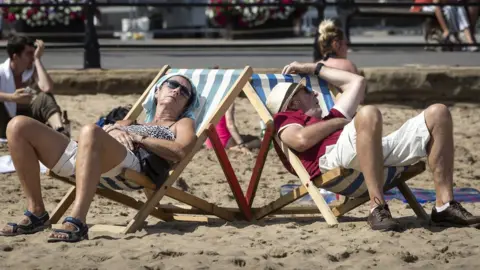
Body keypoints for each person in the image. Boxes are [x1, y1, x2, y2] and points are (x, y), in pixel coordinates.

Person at [267, 60, 480, 231]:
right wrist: (339, 122)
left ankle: (444, 205)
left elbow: (356, 82)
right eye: (306, 91)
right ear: (293, 103)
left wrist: (313, 67)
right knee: (368, 112)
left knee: (438, 112)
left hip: (367, 152)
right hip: (332, 160)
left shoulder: (328, 117)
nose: (315, 93)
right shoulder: (286, 118)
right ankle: (377, 206)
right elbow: (301, 141)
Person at [0, 73, 199, 242]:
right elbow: (102, 132)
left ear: (186, 105)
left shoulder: (182, 124)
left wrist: (137, 136)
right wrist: (113, 131)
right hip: (89, 155)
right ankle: (36, 212)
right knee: (18, 125)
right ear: (157, 91)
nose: (176, 91)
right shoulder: (130, 119)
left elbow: (181, 150)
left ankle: (77, 221)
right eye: (172, 85)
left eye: (184, 92)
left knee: (91, 130)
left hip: (133, 164)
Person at [0, 35, 69, 138]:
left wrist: (37, 59)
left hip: (28, 118)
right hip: (5, 122)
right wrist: (12, 98)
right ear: (16, 57)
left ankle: (60, 132)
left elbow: (47, 88)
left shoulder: (32, 70)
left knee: (45, 97)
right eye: (29, 54)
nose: (32, 57)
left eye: (34, 53)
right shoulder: (2, 71)